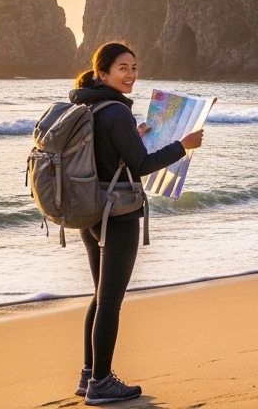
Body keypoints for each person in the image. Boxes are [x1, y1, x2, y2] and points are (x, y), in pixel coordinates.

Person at [68, 41, 203, 405]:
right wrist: (183, 144)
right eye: (122, 68)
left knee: (100, 298)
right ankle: (101, 384)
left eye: (134, 67)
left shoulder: (87, 105)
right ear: (103, 73)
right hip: (120, 214)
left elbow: (104, 153)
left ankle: (87, 374)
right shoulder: (116, 112)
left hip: (90, 211)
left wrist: (135, 138)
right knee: (110, 302)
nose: (130, 74)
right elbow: (142, 166)